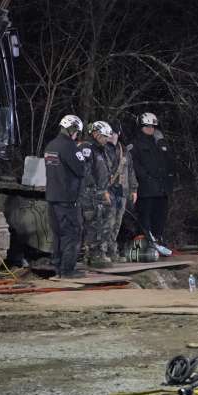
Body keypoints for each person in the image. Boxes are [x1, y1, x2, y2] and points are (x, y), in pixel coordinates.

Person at [44, 114, 88, 278]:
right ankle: (68, 270)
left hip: (52, 197)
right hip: (67, 199)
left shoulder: (50, 145)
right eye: (77, 132)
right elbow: (81, 170)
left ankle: (57, 267)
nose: (77, 135)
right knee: (72, 233)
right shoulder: (70, 147)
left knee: (57, 234)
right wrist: (82, 155)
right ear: (73, 130)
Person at [130, 112, 175, 244]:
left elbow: (169, 162)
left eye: (153, 126)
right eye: (147, 126)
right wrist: (146, 178)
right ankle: (146, 243)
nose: (150, 129)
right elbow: (134, 165)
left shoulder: (160, 143)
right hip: (146, 190)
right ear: (140, 127)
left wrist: (169, 178)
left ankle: (158, 240)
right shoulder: (135, 144)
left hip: (161, 189)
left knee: (160, 216)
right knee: (145, 218)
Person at [80, 121, 117, 267]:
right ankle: (95, 255)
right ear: (95, 134)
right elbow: (86, 173)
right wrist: (99, 192)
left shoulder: (101, 149)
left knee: (101, 224)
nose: (106, 139)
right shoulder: (87, 148)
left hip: (101, 193)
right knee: (94, 225)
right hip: (91, 195)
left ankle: (94, 254)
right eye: (104, 136)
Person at [106, 122, 137, 261]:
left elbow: (130, 171)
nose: (112, 135)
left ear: (119, 134)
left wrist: (134, 189)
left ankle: (112, 251)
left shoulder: (124, 150)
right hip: (108, 191)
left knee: (117, 223)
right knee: (109, 222)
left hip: (122, 191)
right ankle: (106, 251)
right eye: (110, 133)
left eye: (114, 133)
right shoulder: (102, 150)